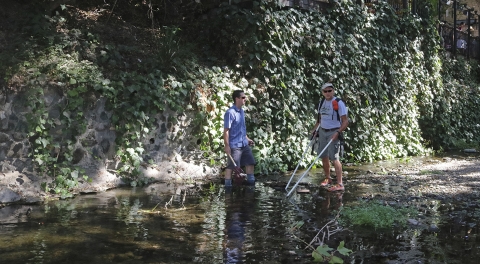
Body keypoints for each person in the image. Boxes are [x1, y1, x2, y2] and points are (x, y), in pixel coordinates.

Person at [311, 83, 349, 192]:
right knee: (324, 155)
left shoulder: (338, 103)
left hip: (334, 131)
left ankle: (340, 183)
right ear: (322, 92)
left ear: (333, 91)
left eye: (329, 91)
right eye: (325, 91)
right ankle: (328, 178)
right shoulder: (321, 103)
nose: (327, 93)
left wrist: (338, 132)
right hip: (322, 131)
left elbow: (345, 121)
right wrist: (314, 130)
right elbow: (319, 120)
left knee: (334, 158)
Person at [223, 90, 256, 187]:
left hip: (244, 144)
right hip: (235, 146)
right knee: (231, 167)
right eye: (243, 97)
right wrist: (227, 146)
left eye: (245, 97)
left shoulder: (242, 111)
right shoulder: (230, 113)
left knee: (250, 163)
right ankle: (228, 190)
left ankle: (251, 187)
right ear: (236, 99)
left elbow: (242, 129)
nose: (245, 99)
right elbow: (226, 131)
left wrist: (247, 139)